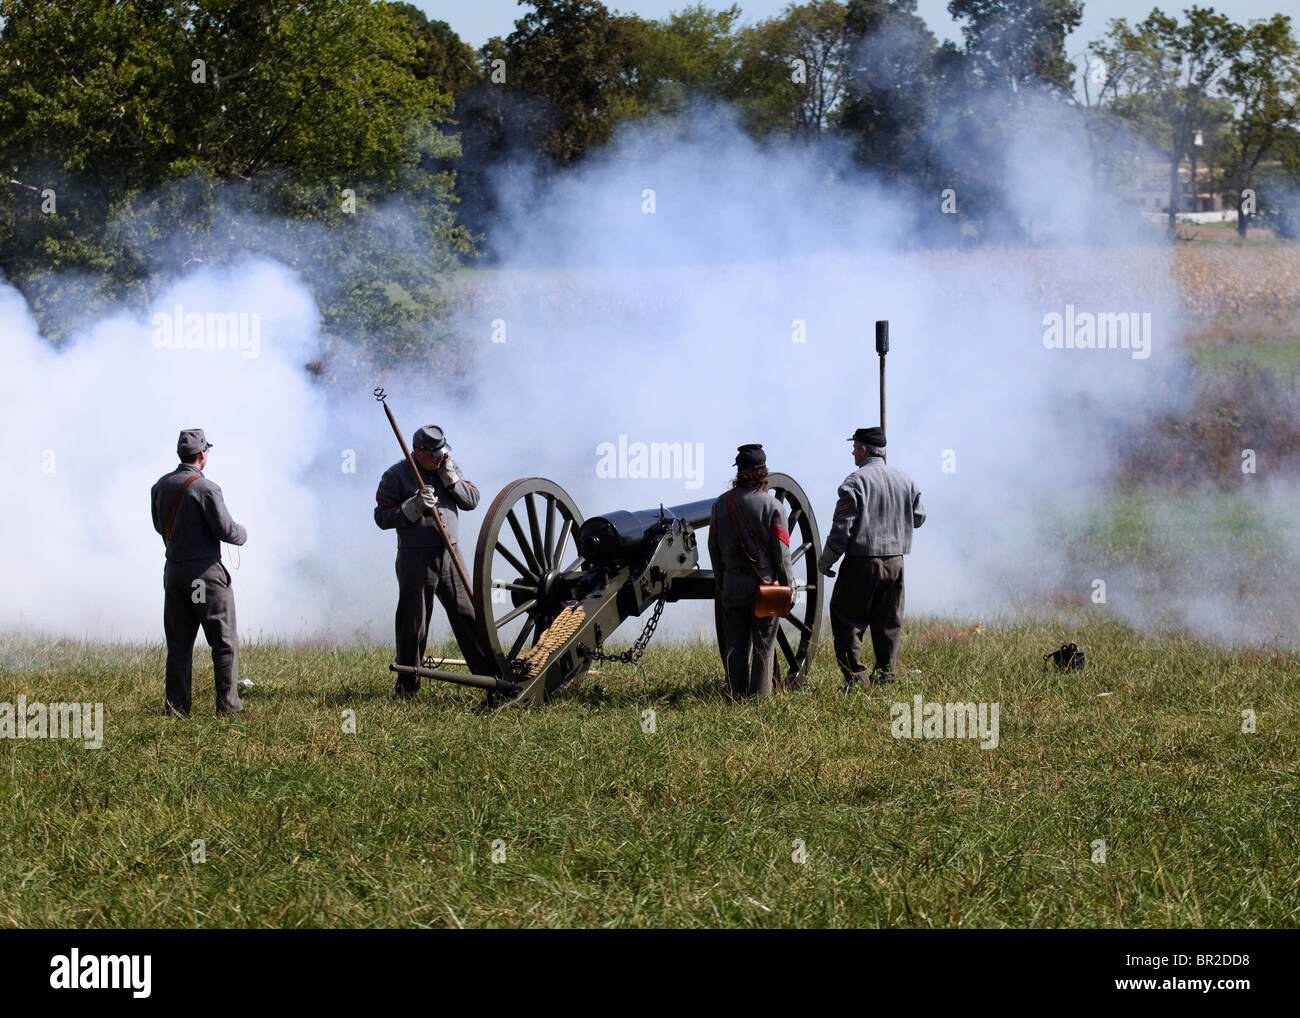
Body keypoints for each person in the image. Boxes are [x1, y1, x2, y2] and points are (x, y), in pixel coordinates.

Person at [374, 425, 495, 698]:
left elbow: (472, 500)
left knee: (470, 617)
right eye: (435, 455)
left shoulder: (447, 467)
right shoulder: (395, 475)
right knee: (414, 623)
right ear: (419, 452)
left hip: (451, 554)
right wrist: (412, 507)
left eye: (443, 453)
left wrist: (452, 481)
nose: (440, 458)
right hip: (415, 557)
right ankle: (407, 687)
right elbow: (382, 517)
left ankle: (491, 681)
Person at [818, 426, 926, 690]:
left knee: (847, 621)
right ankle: (886, 678)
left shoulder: (854, 482)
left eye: (854, 446)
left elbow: (842, 530)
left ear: (863, 449)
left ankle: (856, 682)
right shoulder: (905, 480)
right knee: (888, 622)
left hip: (862, 563)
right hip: (895, 562)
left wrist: (826, 560)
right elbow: (920, 517)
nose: (852, 451)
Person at [150, 428, 248, 717]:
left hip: (175, 573)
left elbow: (158, 525)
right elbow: (225, 530)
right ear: (203, 454)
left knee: (179, 646)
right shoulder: (207, 489)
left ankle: (177, 709)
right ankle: (228, 708)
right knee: (224, 642)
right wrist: (242, 533)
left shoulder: (160, 486)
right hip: (205, 576)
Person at [708, 444, 794, 700]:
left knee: (735, 647)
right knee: (764, 648)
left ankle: (735, 696)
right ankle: (759, 701)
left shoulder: (720, 505)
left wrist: (722, 583)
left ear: (740, 472)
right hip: (764, 589)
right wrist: (787, 589)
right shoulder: (773, 507)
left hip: (733, 585)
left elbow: (713, 548)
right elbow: (782, 554)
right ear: (763, 472)